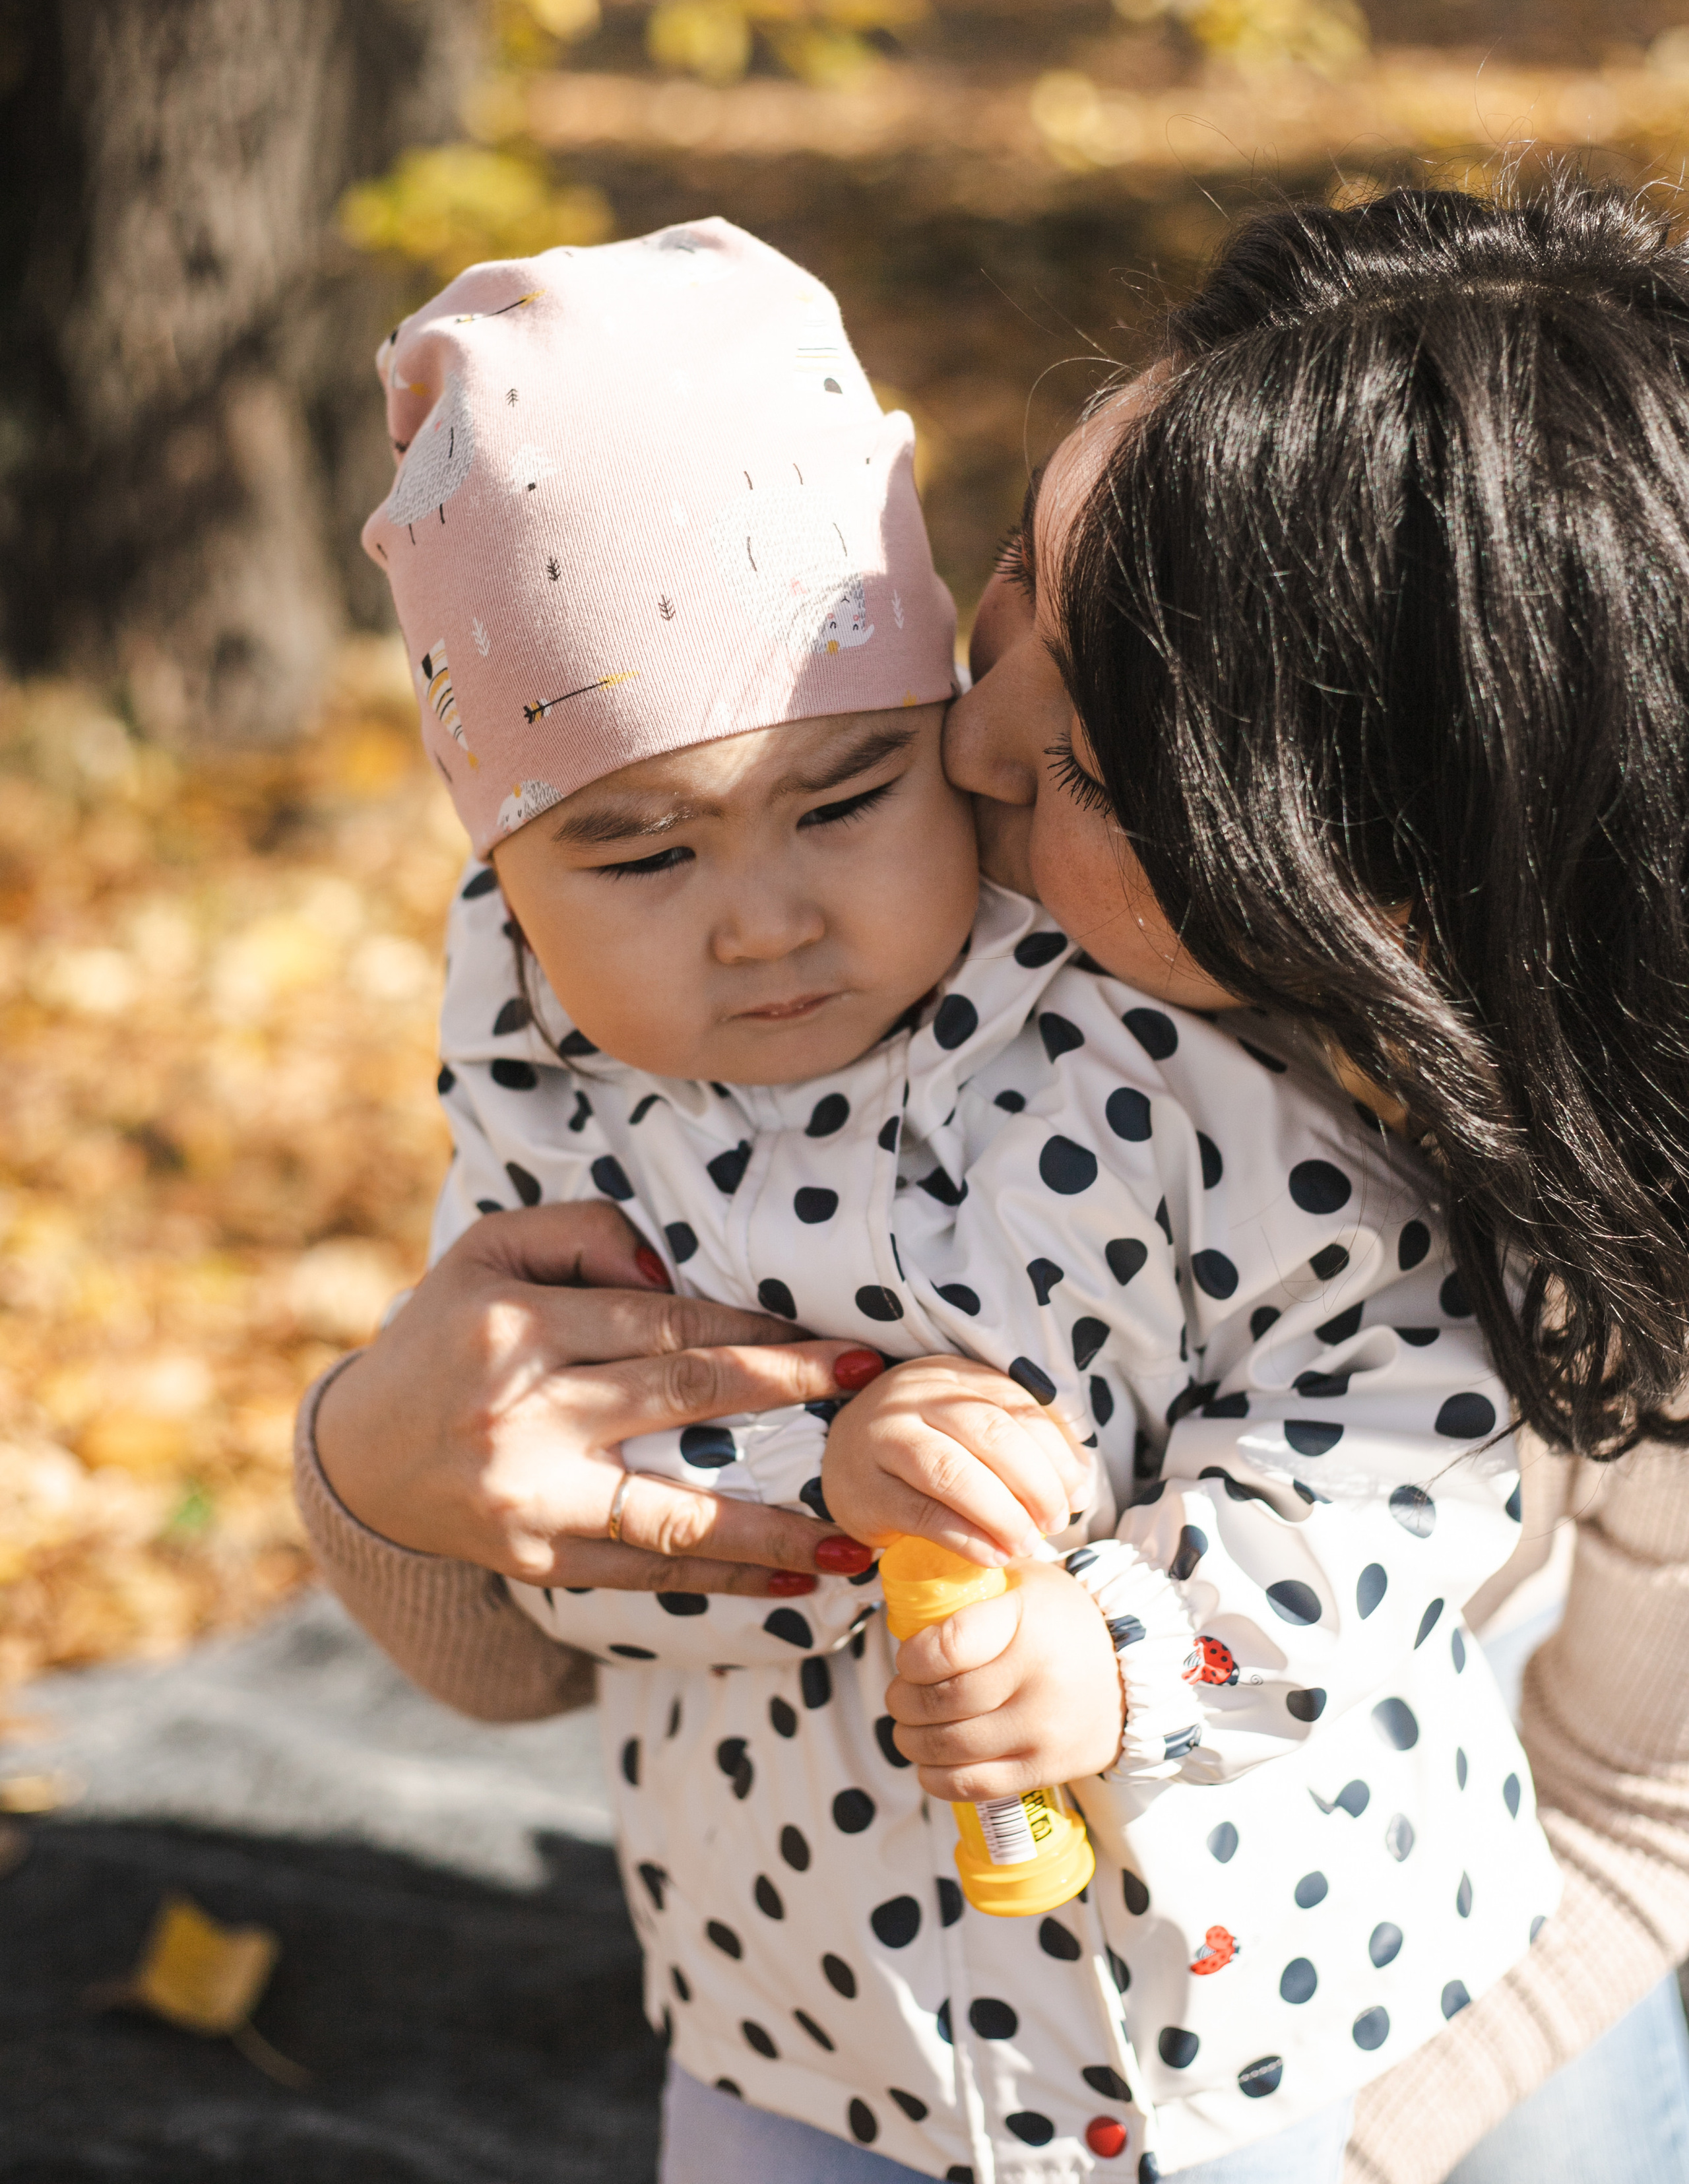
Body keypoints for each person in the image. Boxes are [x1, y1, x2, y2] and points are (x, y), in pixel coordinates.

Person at [297, 176, 1689, 2179]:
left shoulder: (1274, 1124)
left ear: (1371, 900)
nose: (967, 741)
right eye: (1010, 595)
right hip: (839, 2047)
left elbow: (1636, 1818)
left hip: (1353, 2045)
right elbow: (521, 1628)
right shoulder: (611, 1060)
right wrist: (377, 1465)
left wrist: (1317, 2140)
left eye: (1098, 762)